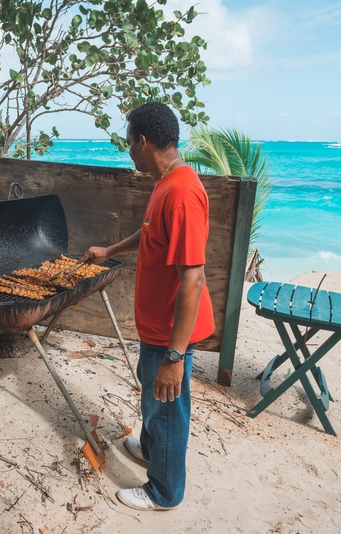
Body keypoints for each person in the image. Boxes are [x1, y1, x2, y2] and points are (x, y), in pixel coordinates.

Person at [80, 102, 215, 511]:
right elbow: (150, 235)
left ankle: (164, 492)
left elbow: (193, 278)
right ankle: (152, 448)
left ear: (142, 141)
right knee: (153, 397)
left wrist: (175, 356)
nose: (128, 152)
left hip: (172, 331)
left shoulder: (181, 193)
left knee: (169, 407)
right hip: (157, 326)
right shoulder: (165, 181)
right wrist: (109, 249)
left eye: (128, 144)